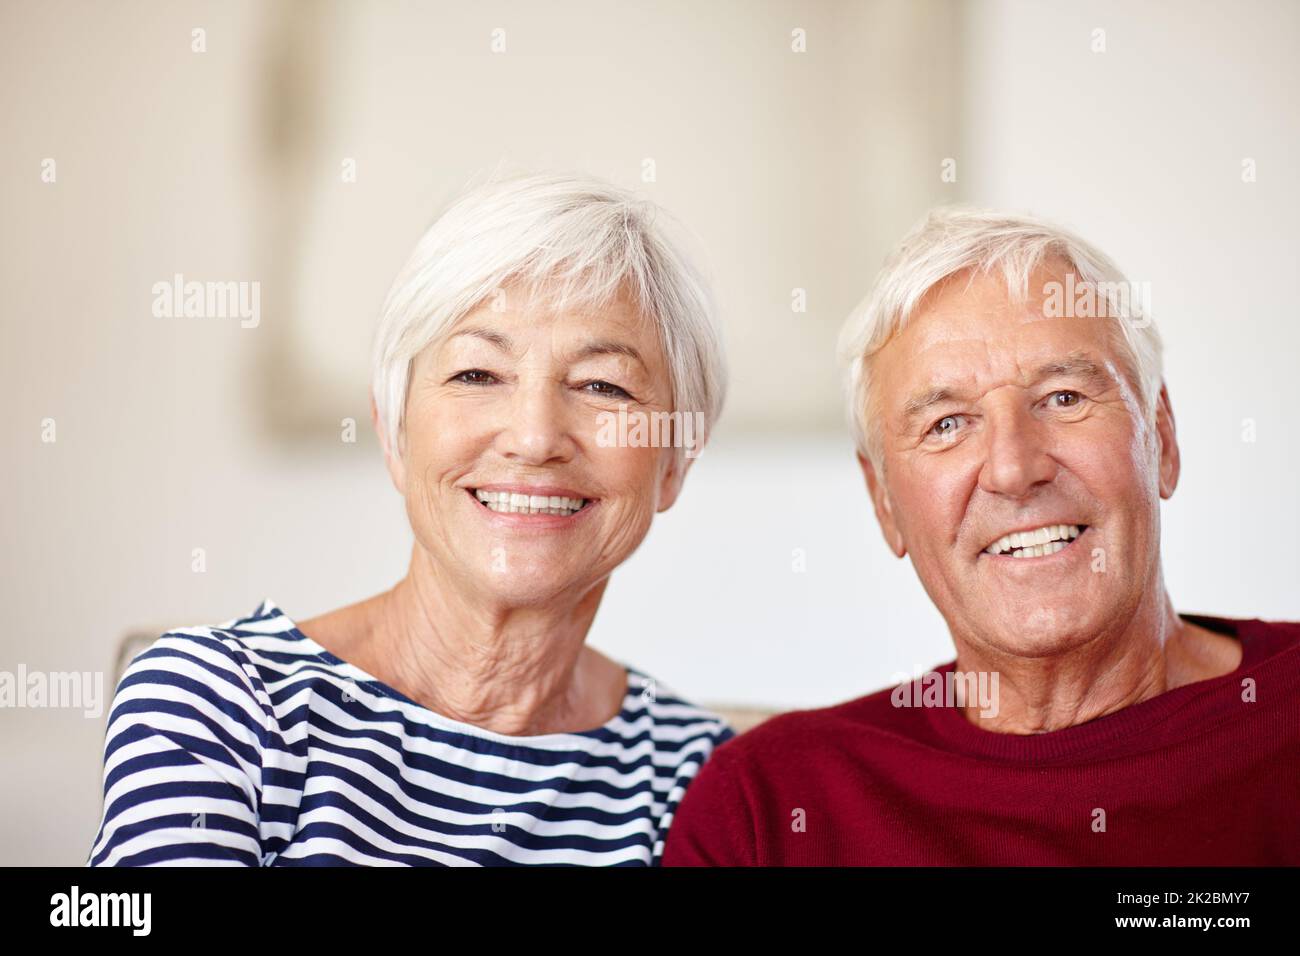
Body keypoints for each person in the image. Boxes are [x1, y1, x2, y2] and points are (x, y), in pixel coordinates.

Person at [89, 170, 732, 866]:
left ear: (674, 462)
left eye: (602, 385)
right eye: (477, 374)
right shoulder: (215, 704)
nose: (534, 436)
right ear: (394, 432)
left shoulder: (706, 777)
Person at [663, 207, 1300, 865]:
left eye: (1063, 398)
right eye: (946, 424)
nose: (1013, 469)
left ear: (1161, 437)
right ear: (883, 500)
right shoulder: (768, 807)